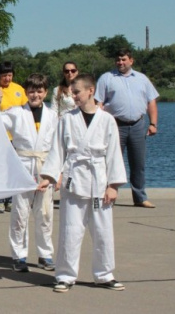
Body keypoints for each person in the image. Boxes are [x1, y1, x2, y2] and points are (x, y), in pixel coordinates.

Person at [38, 73, 127, 293]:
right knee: (70, 230)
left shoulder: (107, 120)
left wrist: (113, 185)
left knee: (103, 231)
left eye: (77, 92)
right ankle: (66, 276)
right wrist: (49, 176)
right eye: (72, 92)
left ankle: (104, 274)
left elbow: (114, 153)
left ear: (91, 91)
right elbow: (57, 150)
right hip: (74, 180)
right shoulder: (67, 119)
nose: (73, 96)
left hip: (100, 182)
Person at [0, 74, 58, 272]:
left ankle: (45, 254)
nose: (35, 95)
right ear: (26, 92)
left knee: (45, 214)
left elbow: (59, 147)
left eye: (39, 91)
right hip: (22, 166)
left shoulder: (52, 116)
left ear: (45, 92)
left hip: (45, 167)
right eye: (31, 91)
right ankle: (19, 256)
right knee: (20, 213)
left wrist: (56, 174)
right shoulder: (16, 113)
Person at [95, 49, 159, 208]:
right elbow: (99, 103)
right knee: (111, 161)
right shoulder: (106, 78)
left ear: (131, 60)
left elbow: (151, 101)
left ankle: (140, 197)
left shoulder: (142, 79)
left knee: (138, 163)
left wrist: (153, 124)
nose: (120, 62)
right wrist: (99, 124)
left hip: (138, 125)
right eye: (118, 60)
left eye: (123, 59)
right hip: (115, 124)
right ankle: (107, 195)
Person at [0, 61, 28, 214]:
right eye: (4, 76)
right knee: (0, 168)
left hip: (16, 135)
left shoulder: (19, 89)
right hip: (0, 135)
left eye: (10, 75)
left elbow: (26, 109)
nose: (7, 79)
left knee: (13, 167)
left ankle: (10, 199)